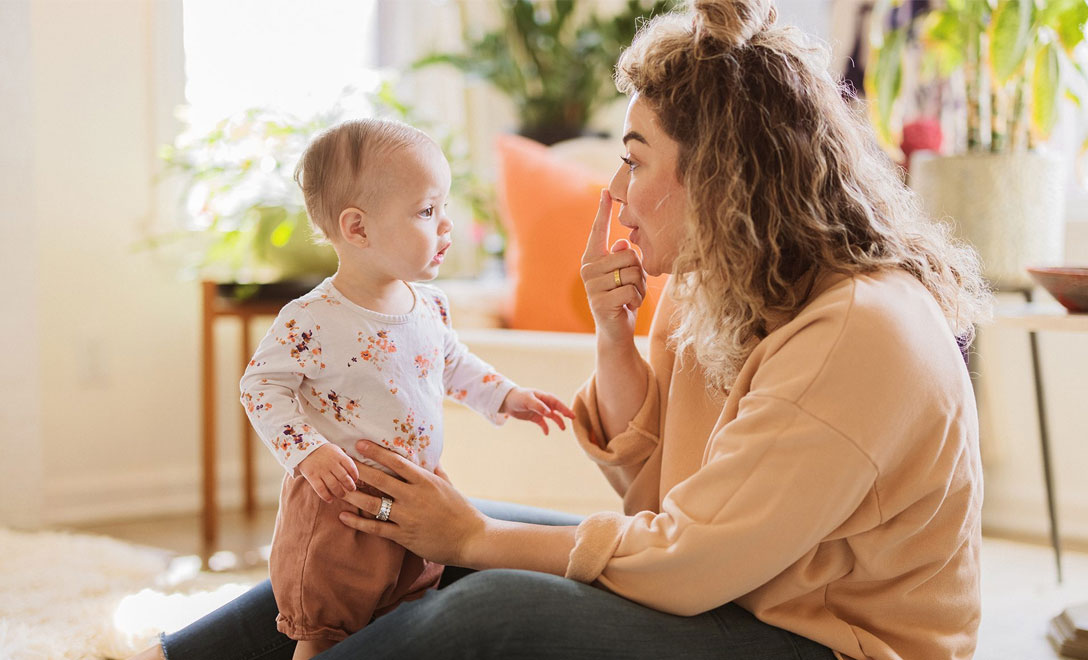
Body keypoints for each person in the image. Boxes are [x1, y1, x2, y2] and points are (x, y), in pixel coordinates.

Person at [130, 0, 990, 658]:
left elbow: (686, 561)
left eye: (635, 157)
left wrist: (472, 537)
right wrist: (613, 335)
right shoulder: (719, 291)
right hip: (738, 597)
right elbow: (656, 501)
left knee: (489, 604)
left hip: (827, 644)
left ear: (719, 176)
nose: (612, 189)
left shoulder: (859, 332)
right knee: (382, 520)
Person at [236, 118, 575, 659]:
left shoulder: (429, 305)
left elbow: (452, 363)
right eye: (426, 211)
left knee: (401, 617)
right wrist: (308, 451)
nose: (446, 226)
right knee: (324, 630)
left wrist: (505, 395)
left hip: (416, 494)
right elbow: (260, 388)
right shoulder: (311, 319)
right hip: (338, 506)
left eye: (444, 207)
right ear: (358, 228)